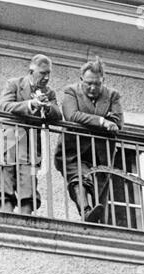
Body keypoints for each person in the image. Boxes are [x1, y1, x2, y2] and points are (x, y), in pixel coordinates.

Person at [0, 54, 62, 214]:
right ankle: (5, 213)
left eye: (48, 73)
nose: (46, 77)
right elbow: (4, 106)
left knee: (28, 180)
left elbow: (58, 114)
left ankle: (26, 217)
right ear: (31, 71)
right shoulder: (14, 84)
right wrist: (30, 104)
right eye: (43, 73)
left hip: (30, 144)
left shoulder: (49, 92)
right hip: (9, 139)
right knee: (4, 177)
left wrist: (47, 107)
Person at [54, 57, 124, 222]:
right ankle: (85, 211)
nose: (92, 87)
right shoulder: (70, 91)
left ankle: (96, 220)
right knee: (79, 178)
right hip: (73, 150)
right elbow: (72, 115)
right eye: (88, 83)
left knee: (99, 191)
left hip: (101, 154)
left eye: (97, 84)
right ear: (81, 80)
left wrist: (91, 120)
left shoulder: (113, 95)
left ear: (103, 81)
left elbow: (118, 122)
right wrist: (102, 121)